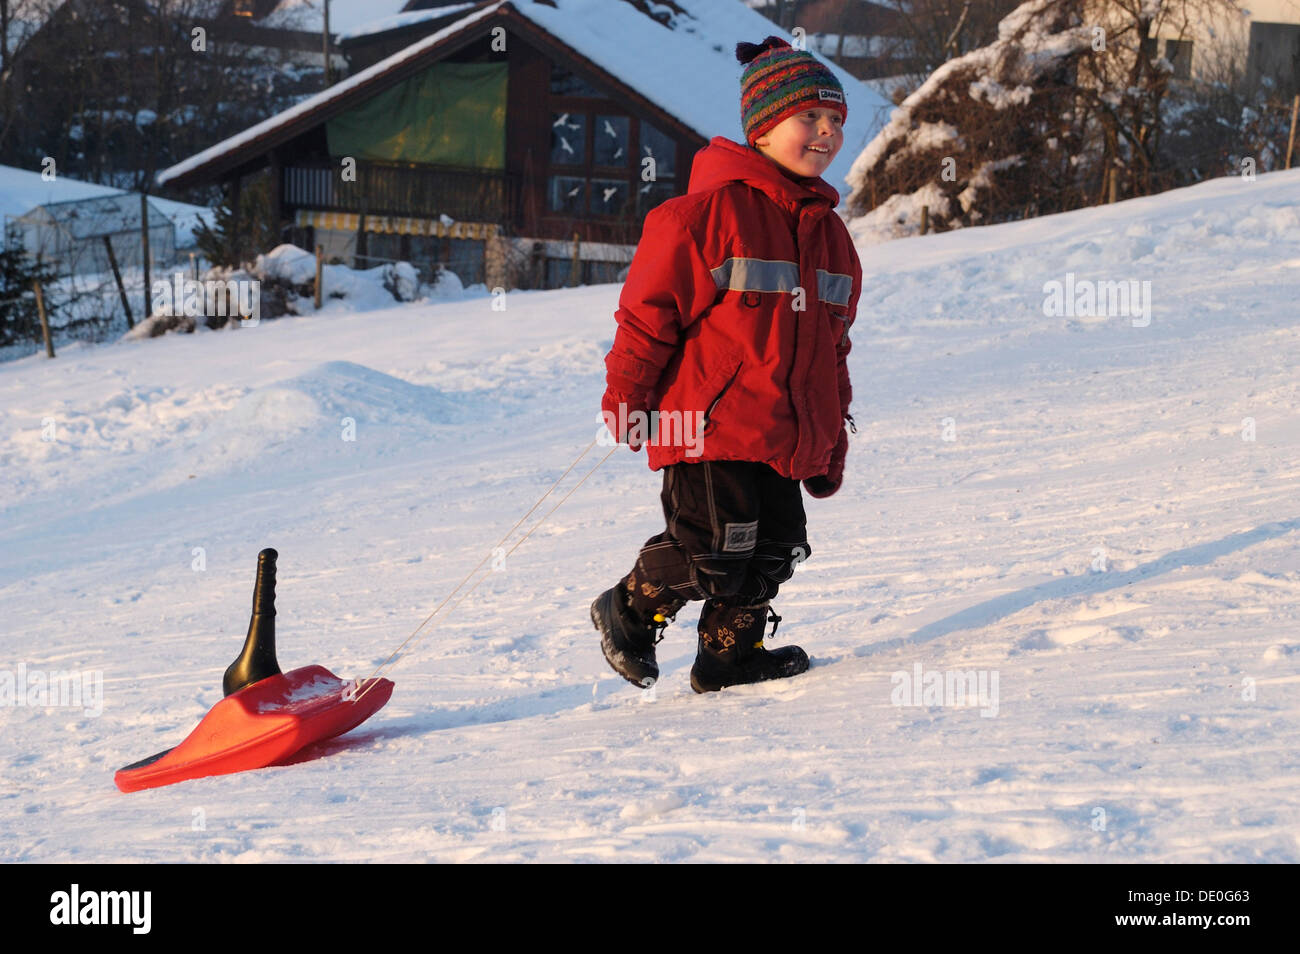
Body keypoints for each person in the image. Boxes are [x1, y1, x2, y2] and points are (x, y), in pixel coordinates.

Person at [591, 35, 862, 693]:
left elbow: (833, 349)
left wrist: (830, 440)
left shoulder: (831, 238)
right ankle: (630, 605)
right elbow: (646, 319)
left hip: (786, 431)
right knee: (715, 552)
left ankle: (729, 655)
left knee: (774, 552)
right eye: (810, 119)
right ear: (763, 128)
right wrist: (626, 398)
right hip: (706, 427)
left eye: (836, 122)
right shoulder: (701, 218)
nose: (826, 133)